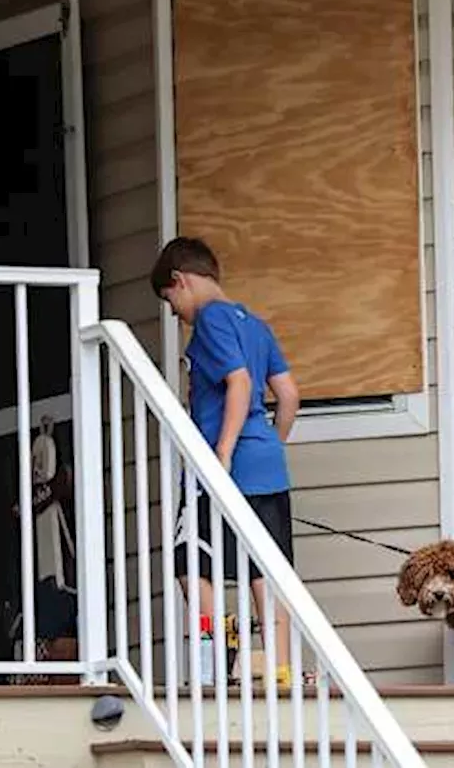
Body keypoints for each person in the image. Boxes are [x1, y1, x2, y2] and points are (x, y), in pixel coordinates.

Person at [150, 236, 301, 690]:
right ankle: (278, 670)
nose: (176, 314)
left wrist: (223, 455)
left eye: (170, 303)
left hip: (222, 466)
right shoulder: (254, 324)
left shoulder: (211, 322)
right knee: (265, 570)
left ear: (180, 281)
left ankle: (218, 647)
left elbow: (237, 383)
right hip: (267, 464)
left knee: (189, 561)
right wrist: (267, 448)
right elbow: (289, 396)